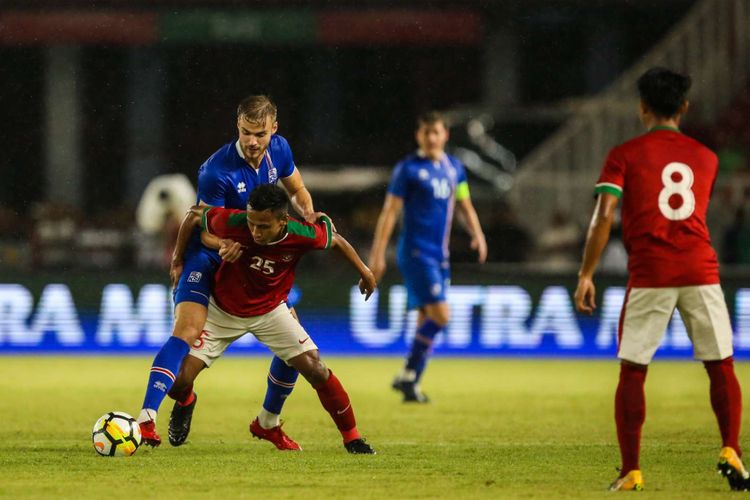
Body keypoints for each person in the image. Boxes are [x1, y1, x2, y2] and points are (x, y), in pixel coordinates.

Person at [574, 67, 749, 492]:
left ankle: (631, 470)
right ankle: (731, 449)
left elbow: (604, 215)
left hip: (652, 272)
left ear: (642, 108)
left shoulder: (625, 154)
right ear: (684, 108)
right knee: (720, 364)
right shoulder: (706, 158)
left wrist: (586, 273)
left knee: (634, 371)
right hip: (700, 269)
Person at [137, 96, 313, 450]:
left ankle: (268, 421)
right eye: (246, 132)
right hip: (209, 255)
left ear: (273, 130)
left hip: (251, 258)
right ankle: (149, 418)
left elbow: (298, 190)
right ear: (238, 127)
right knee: (185, 334)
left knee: (295, 346)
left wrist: (308, 215)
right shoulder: (217, 170)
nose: (252, 141)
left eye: (259, 133)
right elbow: (203, 227)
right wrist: (216, 248)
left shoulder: (280, 150)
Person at [167, 184, 377, 454]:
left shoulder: (301, 234)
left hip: (270, 311)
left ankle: (353, 438)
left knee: (316, 368)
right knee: (178, 381)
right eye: (252, 223)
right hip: (221, 311)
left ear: (283, 221)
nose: (255, 232)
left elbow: (334, 239)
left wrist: (365, 271)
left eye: (264, 227)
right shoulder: (237, 221)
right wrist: (177, 258)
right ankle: (186, 400)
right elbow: (195, 215)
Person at [369, 111, 487, 403]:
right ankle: (408, 373)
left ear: (445, 135)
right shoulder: (407, 169)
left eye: (436, 132)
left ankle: (410, 382)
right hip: (415, 252)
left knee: (426, 319)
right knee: (441, 315)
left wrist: (477, 233)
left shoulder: (455, 169)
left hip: (440, 255)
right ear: (418, 136)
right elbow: (390, 212)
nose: (431, 138)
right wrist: (378, 255)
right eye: (426, 133)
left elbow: (464, 205)